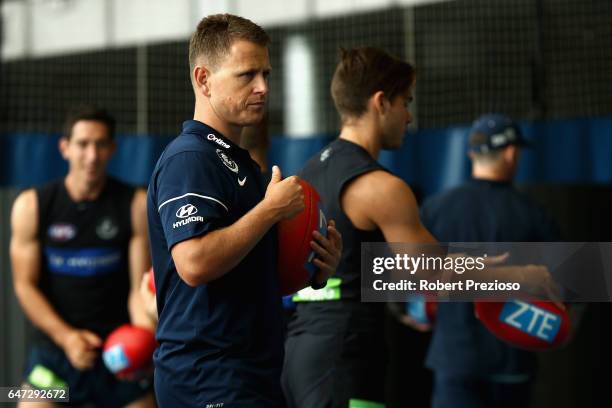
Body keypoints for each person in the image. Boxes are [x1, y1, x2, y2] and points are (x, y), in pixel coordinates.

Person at [146, 14, 342, 408]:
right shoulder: (189, 158)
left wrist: (314, 271)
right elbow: (195, 262)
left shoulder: (241, 164)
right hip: (208, 377)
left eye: (266, 74)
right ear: (203, 79)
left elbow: (245, 279)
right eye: (247, 75)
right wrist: (269, 211)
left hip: (252, 374)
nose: (263, 88)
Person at [282, 47, 436, 408]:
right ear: (381, 102)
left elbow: (349, 264)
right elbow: (437, 275)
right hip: (344, 360)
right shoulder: (380, 187)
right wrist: (519, 275)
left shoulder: (305, 173)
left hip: (299, 353)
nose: (409, 116)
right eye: (405, 102)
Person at [10, 105, 156, 407]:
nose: (92, 155)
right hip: (56, 353)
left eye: (101, 144)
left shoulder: (136, 205)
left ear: (113, 149)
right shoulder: (32, 206)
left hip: (117, 354)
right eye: (82, 144)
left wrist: (142, 339)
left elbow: (136, 289)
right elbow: (25, 285)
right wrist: (67, 338)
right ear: (65, 148)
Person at [420, 113, 560, 408]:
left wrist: (417, 312)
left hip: (454, 360)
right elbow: (563, 288)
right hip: (513, 362)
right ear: (511, 153)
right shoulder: (534, 213)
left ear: (472, 153)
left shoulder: (434, 209)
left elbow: (404, 281)